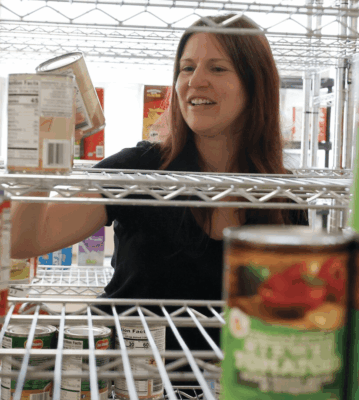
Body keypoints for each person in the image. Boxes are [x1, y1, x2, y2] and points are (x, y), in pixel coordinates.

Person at [11, 13, 307, 350]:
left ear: (255, 85)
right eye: (187, 68)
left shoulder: (285, 195)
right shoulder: (138, 168)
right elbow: (25, 242)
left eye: (218, 68)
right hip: (126, 378)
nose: (195, 81)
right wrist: (41, 163)